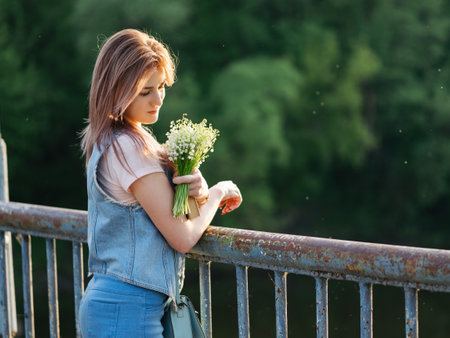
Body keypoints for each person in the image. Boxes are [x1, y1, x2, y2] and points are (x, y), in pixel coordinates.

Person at [78, 28, 242, 337]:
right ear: (116, 91)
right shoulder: (130, 147)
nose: (158, 99)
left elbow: (176, 212)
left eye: (161, 86)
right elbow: (181, 237)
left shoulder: (110, 139)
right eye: (145, 91)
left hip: (117, 306)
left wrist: (199, 190)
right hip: (126, 312)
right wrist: (221, 191)